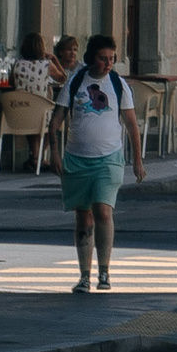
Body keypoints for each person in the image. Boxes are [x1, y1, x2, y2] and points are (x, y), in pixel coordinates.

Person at [58, 31, 144, 292]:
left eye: (111, 58)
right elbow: (56, 119)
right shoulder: (75, 82)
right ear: (91, 59)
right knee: (83, 218)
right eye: (102, 58)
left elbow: (131, 124)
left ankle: (104, 272)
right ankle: (84, 275)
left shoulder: (118, 84)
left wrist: (138, 161)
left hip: (109, 157)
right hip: (77, 158)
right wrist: (53, 152)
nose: (107, 63)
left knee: (103, 211)